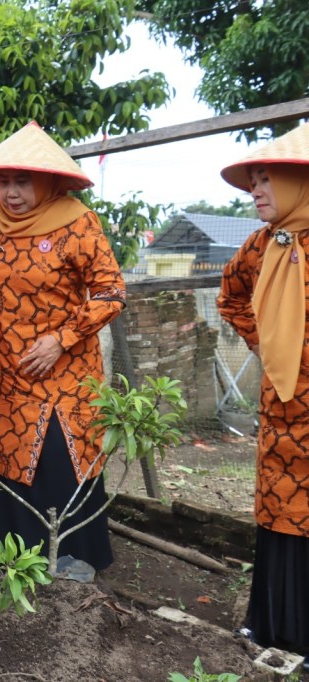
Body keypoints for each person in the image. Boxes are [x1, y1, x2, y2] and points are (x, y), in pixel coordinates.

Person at [0, 121, 126, 572]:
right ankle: (1, 553)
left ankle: (67, 556)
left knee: (58, 459)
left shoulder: (77, 223)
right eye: (4, 182)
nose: (11, 193)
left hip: (65, 373)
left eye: (23, 182)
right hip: (6, 370)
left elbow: (110, 292)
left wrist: (61, 340)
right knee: (2, 451)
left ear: (47, 182)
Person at [217, 121, 309, 662]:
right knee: (281, 512)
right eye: (253, 181)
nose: (256, 191)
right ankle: (274, 627)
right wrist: (266, 343)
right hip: (281, 408)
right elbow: (230, 297)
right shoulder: (262, 245)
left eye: (266, 179)